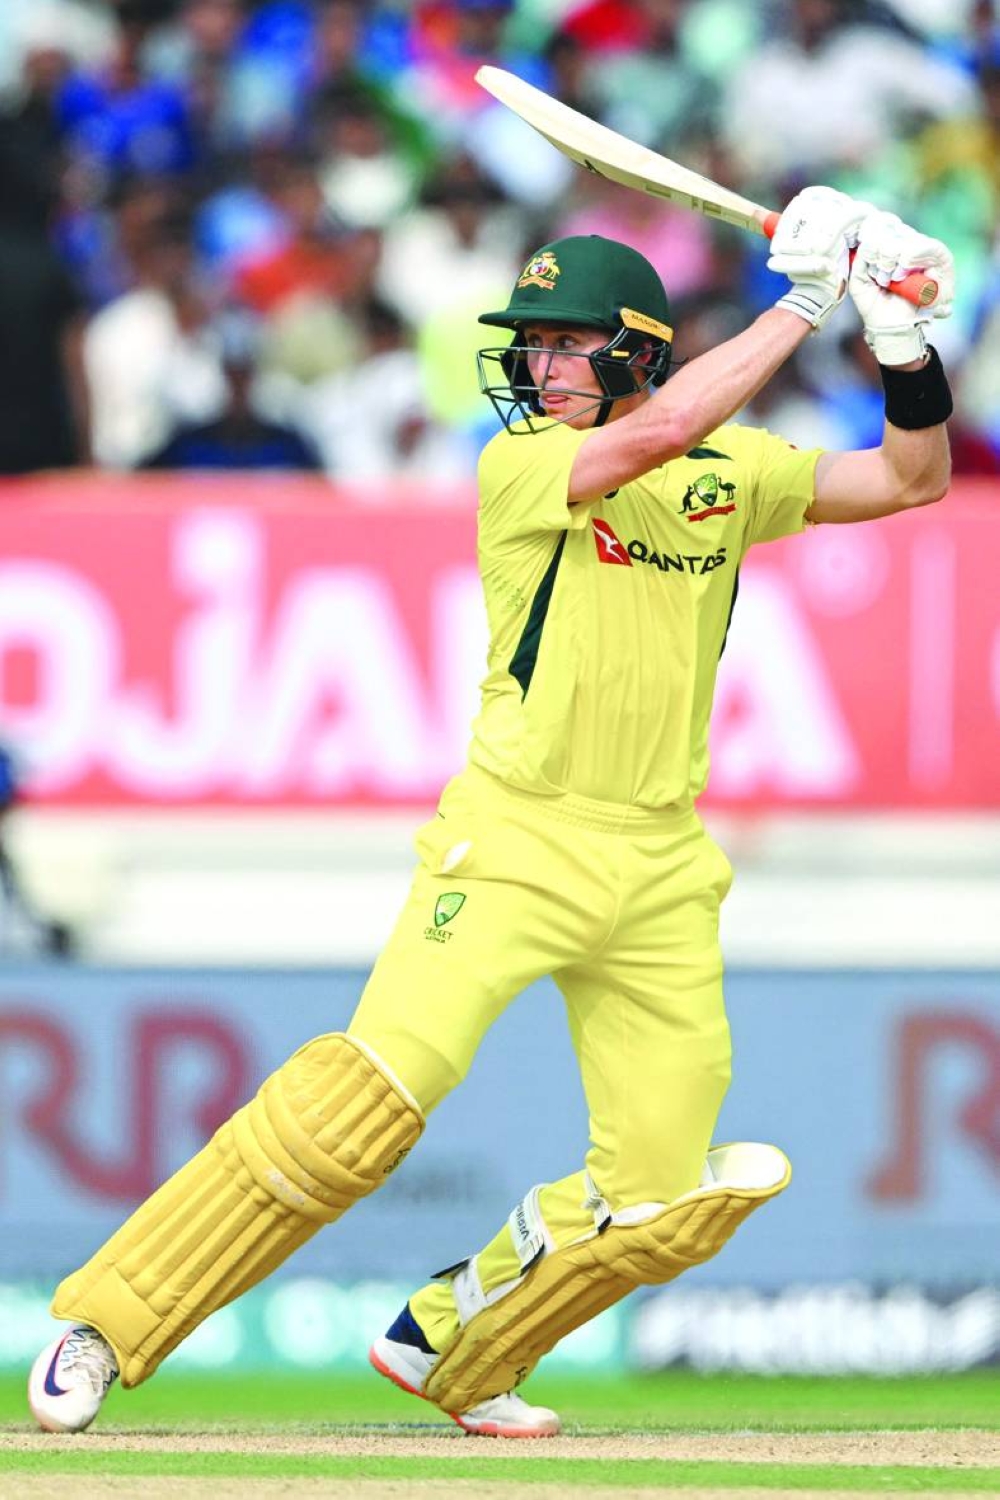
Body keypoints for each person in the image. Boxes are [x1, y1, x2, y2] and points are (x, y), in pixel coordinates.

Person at [28, 186, 955, 1438]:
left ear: (631, 346)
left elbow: (911, 476)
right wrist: (805, 299)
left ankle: (456, 1340)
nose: (538, 365)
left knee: (663, 1197)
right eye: (530, 345)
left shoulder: (739, 474)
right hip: (514, 837)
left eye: (565, 344)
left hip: (662, 861)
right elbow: (660, 434)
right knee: (354, 1112)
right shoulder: (523, 463)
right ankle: (106, 1325)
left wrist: (899, 336)